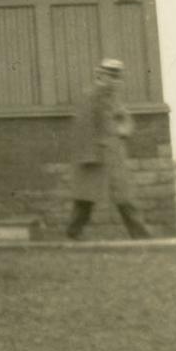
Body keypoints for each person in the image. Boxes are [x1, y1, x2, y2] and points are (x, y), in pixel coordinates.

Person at [65, 59, 151, 240]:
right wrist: (89, 156)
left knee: (124, 196)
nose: (114, 81)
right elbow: (83, 127)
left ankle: (141, 236)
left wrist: (123, 130)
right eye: (110, 76)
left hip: (114, 155)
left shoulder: (114, 99)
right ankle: (73, 233)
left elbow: (125, 119)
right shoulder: (89, 97)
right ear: (100, 76)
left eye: (117, 77)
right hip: (94, 156)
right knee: (85, 198)